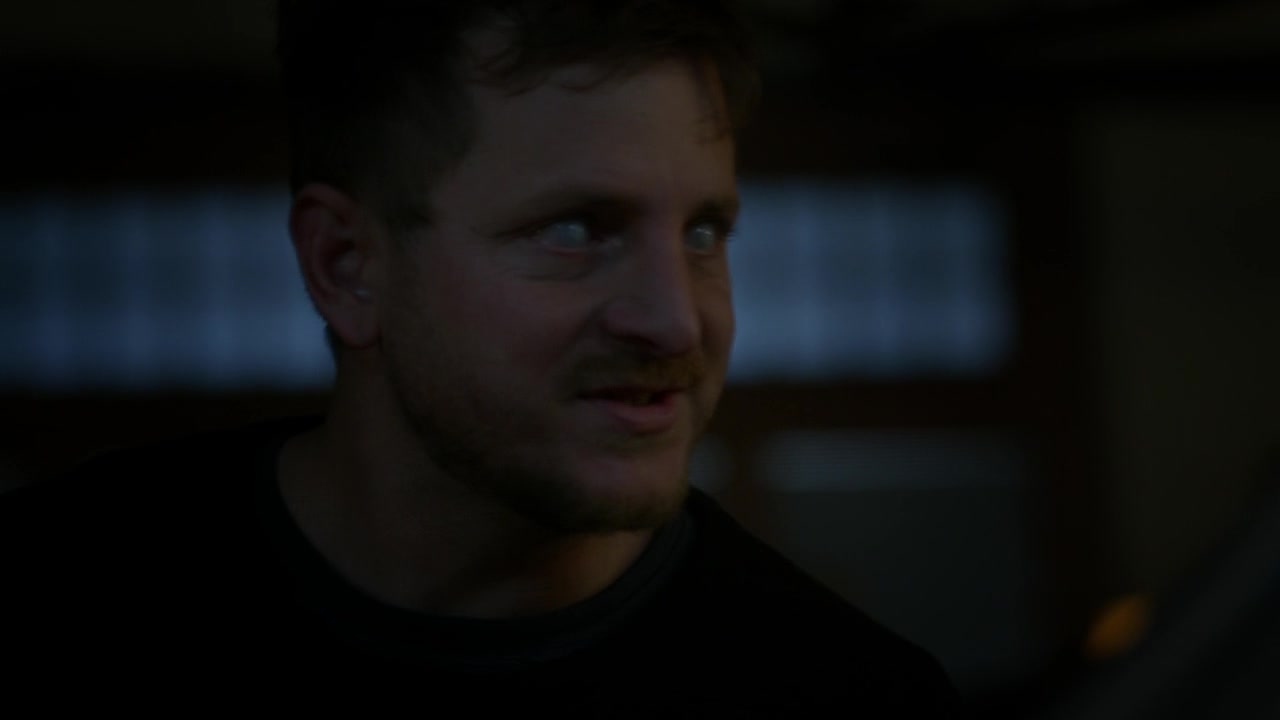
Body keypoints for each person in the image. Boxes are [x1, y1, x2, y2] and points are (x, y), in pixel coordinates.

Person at [3, 0, 958, 713]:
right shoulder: (59, 596)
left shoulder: (850, 695)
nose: (677, 323)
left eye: (703, 234)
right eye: (577, 229)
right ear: (346, 266)